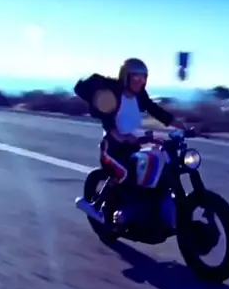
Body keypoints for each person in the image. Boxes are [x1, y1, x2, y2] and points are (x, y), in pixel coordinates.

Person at [74, 58, 186, 227]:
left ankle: (150, 210)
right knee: (126, 174)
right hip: (113, 147)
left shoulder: (140, 96)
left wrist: (181, 125)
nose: (139, 81)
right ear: (125, 77)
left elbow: (155, 110)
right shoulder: (112, 94)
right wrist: (121, 136)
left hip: (133, 145)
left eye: (143, 78)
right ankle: (101, 210)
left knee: (158, 168)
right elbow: (108, 123)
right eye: (135, 77)